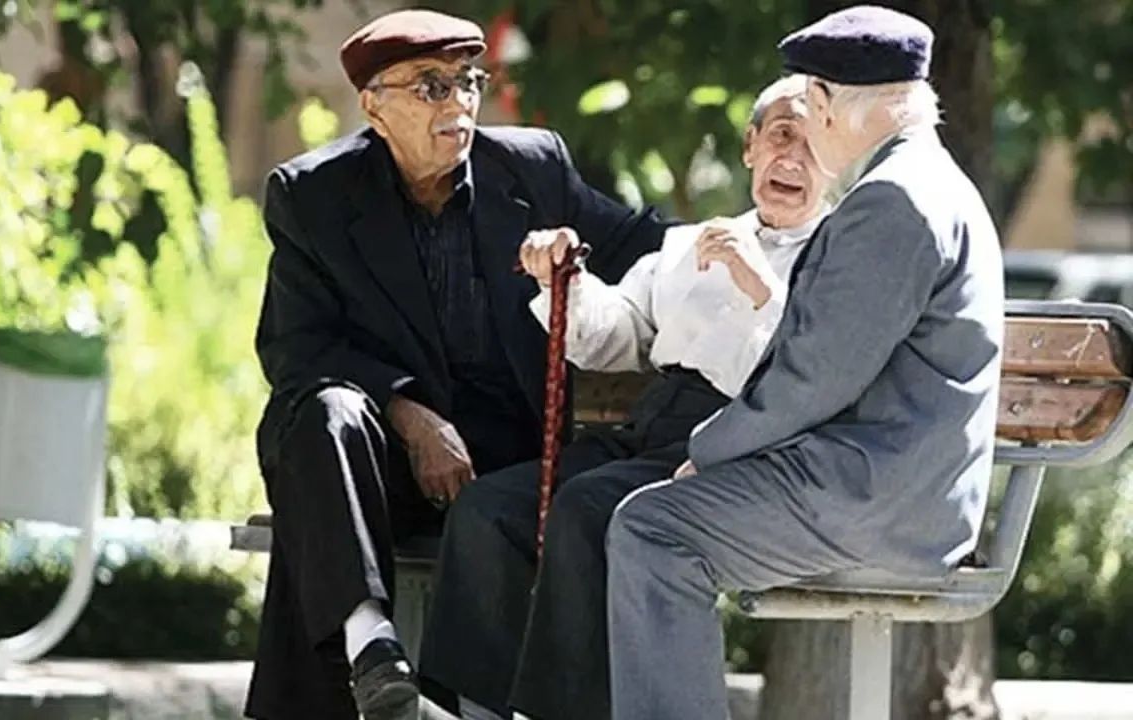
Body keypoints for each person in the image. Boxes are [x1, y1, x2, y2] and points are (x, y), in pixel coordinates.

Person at [244, 8, 672, 720]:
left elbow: (644, 243)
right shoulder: (313, 194)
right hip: (377, 465)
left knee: (454, 514)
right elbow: (296, 349)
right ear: (374, 106)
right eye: (431, 87)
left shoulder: (531, 168)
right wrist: (410, 417)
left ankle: (422, 703)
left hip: (504, 466)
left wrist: (750, 243)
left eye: (468, 82)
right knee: (324, 412)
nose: (459, 103)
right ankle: (371, 648)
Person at [603, 6, 1006, 719]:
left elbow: (815, 376)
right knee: (651, 520)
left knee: (652, 530)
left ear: (823, 102)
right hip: (903, 490)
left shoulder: (893, 199)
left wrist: (708, 453)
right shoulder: (936, 182)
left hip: (877, 497)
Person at [417, 75, 829, 720]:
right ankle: (468, 709)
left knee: (587, 509)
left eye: (813, 145)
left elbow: (817, 373)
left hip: (733, 448)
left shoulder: (839, 259)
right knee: (489, 509)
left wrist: (760, 289)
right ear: (750, 146)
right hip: (647, 429)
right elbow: (615, 337)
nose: (793, 158)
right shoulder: (690, 243)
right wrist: (565, 281)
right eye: (780, 135)